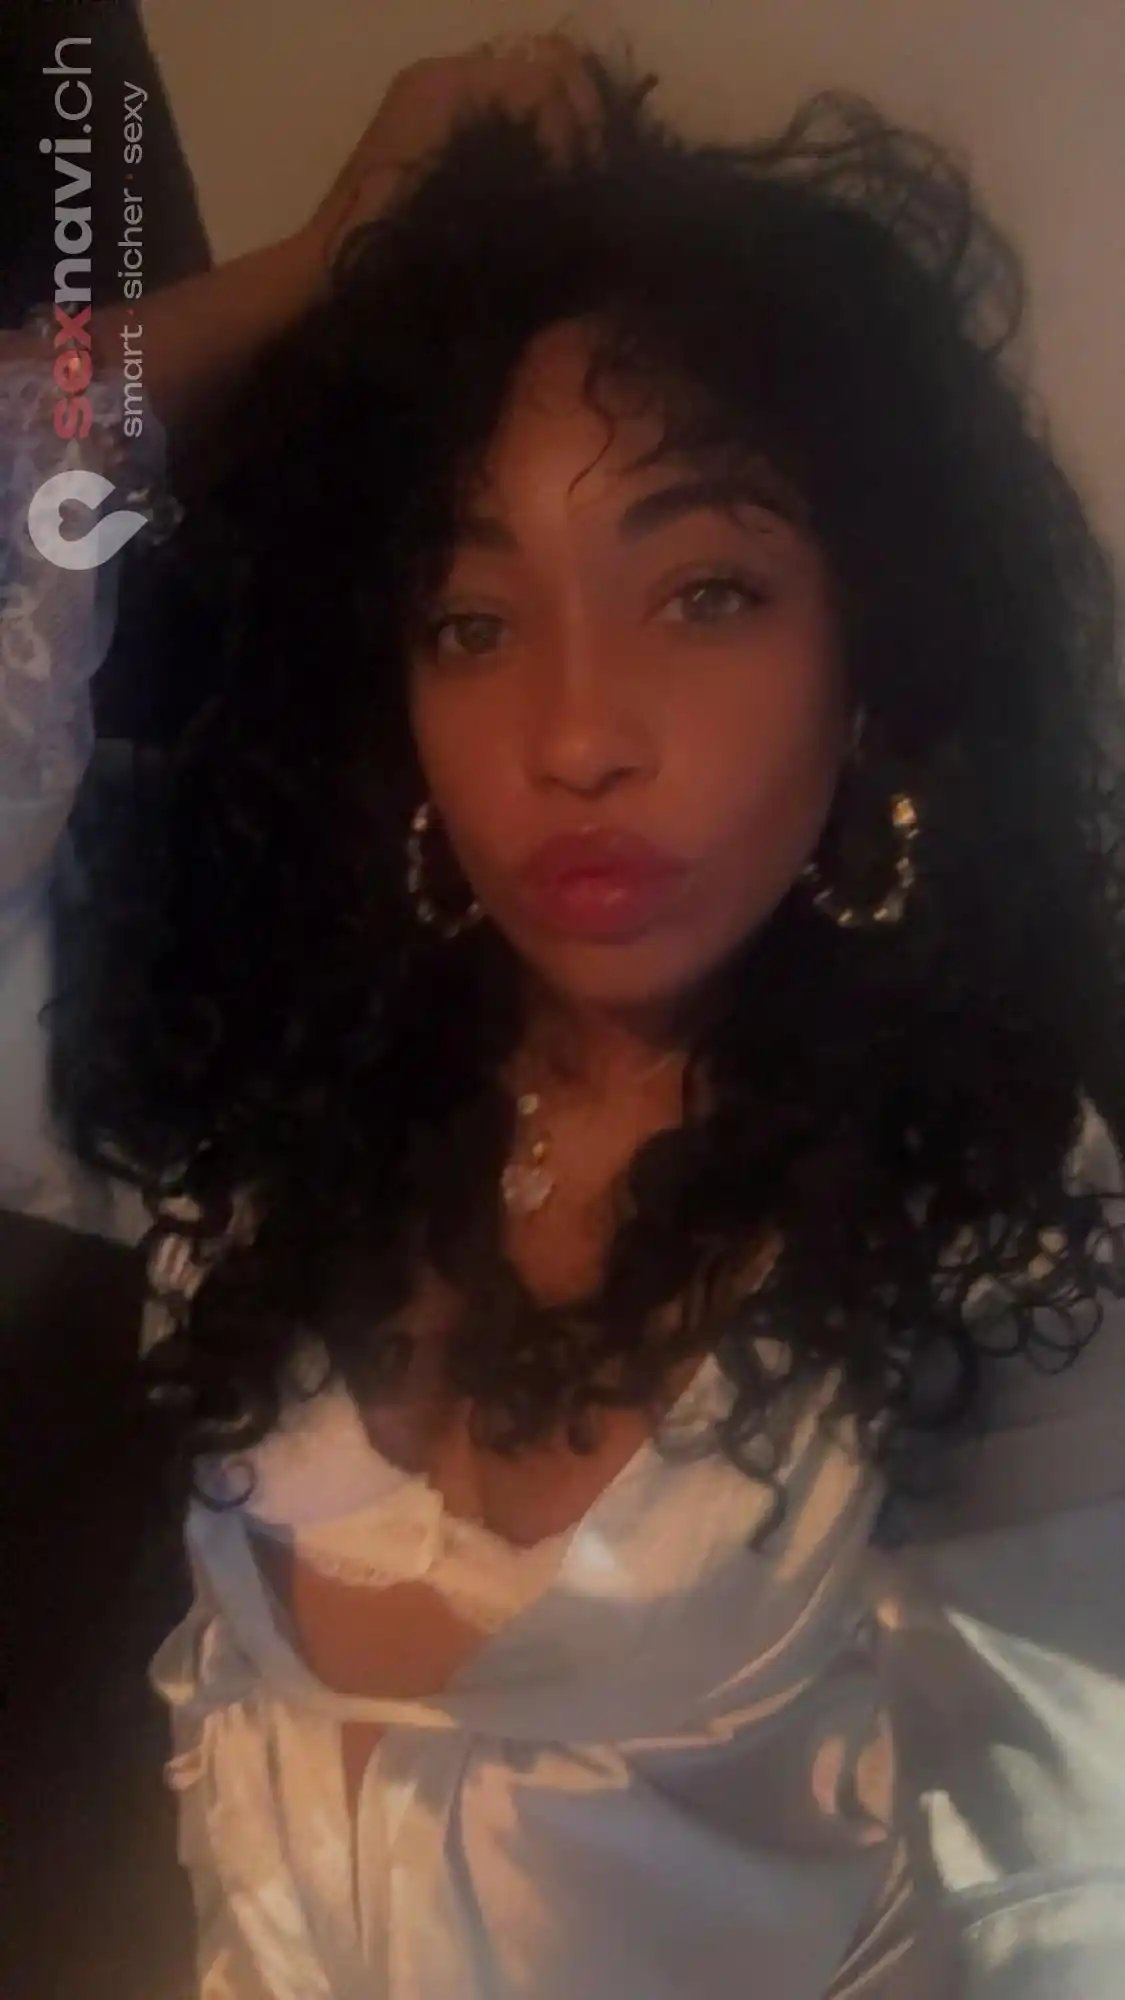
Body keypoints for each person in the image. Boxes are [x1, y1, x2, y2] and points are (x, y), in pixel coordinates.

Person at [8, 34, 1125, 2000]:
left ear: (874, 652)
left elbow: (1065, 1913)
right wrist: (304, 274)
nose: (576, 733)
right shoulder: (259, 1135)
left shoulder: (997, 1223)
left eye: (704, 594)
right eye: (471, 618)